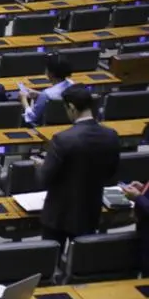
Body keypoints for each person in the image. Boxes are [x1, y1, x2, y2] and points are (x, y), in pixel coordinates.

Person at [35, 84, 120, 251]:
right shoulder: (111, 136)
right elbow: (111, 173)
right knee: (82, 260)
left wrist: (41, 166)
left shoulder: (62, 139)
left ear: (72, 107)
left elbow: (44, 179)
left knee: (52, 260)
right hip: (89, 211)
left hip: (58, 214)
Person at [21, 56, 73, 126]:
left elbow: (32, 117)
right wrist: (40, 95)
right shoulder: (72, 84)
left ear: (50, 73)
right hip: (69, 123)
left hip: (44, 126)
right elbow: (58, 95)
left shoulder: (46, 94)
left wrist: (24, 99)